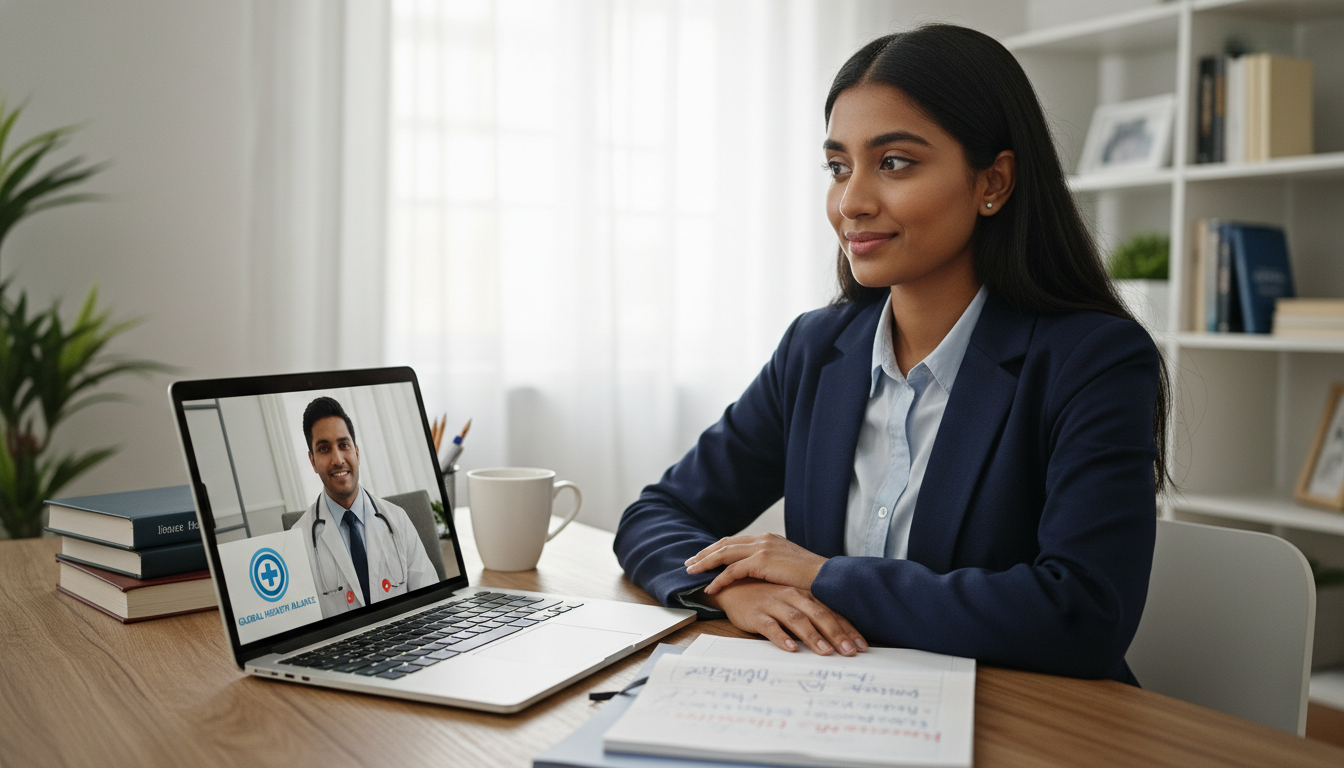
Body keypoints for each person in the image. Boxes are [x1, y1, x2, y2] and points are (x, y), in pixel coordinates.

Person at [613, 24, 1169, 685]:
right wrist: (727, 589)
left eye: (894, 162)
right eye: (839, 167)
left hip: (1028, 726)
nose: (851, 202)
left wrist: (825, 578)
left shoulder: (1094, 360)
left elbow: (1084, 613)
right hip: (838, 702)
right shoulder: (816, 349)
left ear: (993, 181)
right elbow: (656, 514)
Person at [292, 396, 439, 618]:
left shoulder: (397, 519)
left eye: (344, 445)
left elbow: (432, 603)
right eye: (324, 449)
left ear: (357, 452)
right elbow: (303, 630)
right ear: (313, 461)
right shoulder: (298, 540)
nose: (338, 459)